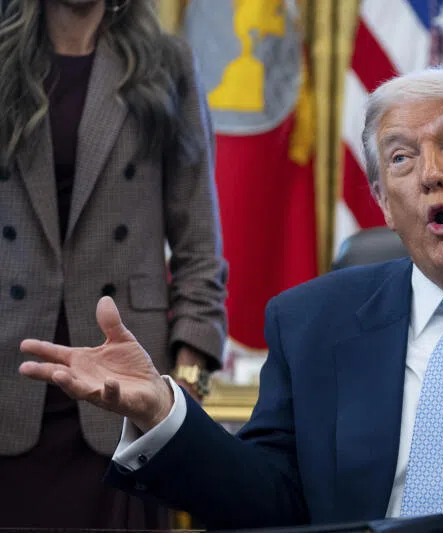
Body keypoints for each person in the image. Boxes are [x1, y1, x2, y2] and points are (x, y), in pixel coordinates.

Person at [19, 66, 443, 533]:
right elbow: (269, 500)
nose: (429, 174)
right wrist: (165, 410)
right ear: (381, 199)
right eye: (401, 159)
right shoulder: (311, 323)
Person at [1, 0, 227, 528]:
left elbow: (199, 245)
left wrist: (185, 386)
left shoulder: (166, 63)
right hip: (11, 372)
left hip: (123, 379)